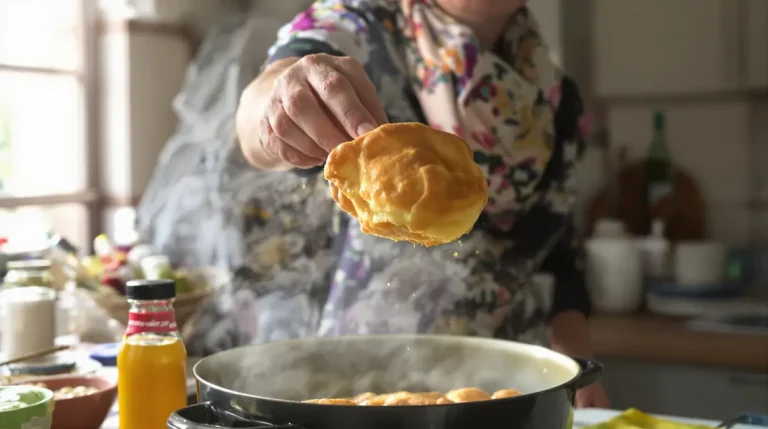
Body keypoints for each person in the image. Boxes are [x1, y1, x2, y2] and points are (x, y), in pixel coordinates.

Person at [228, 0, 609, 408]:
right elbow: (263, 108)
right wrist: (276, 108)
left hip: (503, 391)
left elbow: (558, 255)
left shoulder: (553, 92)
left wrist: (578, 374)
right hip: (363, 381)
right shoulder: (357, 29)